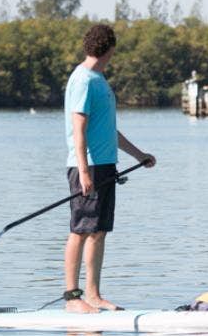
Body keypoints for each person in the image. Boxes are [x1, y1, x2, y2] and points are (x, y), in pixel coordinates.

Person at [63, 23, 156, 314]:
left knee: (99, 231)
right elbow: (79, 129)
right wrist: (85, 172)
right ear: (110, 49)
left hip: (105, 165)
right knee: (80, 230)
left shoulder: (99, 79)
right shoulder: (83, 81)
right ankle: (72, 298)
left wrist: (139, 155)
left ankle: (93, 295)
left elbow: (109, 131)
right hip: (87, 166)